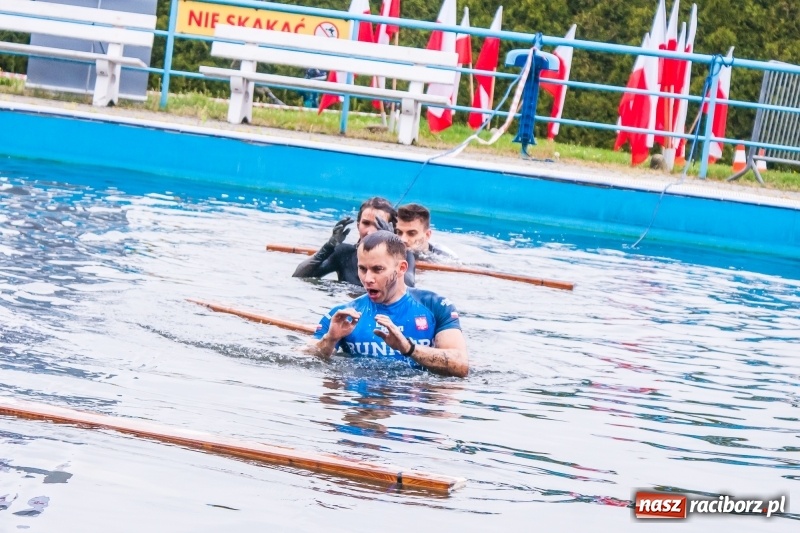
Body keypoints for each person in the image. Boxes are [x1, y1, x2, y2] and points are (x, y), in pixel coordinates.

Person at [306, 231, 469, 378]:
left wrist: (408, 348)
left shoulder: (435, 306)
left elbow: (461, 365)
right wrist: (330, 340)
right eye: (362, 269)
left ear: (401, 268)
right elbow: (304, 359)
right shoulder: (343, 315)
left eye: (377, 269)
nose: (368, 278)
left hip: (415, 405)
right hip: (361, 406)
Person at [293, 197, 416, 287]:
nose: (370, 232)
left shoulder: (406, 256)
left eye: (379, 225)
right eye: (366, 223)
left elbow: (409, 286)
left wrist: (390, 244)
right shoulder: (344, 253)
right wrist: (328, 247)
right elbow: (300, 276)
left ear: (391, 229)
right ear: (358, 225)